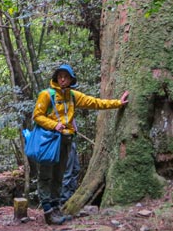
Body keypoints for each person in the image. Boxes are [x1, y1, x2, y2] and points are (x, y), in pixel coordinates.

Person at [33, 63, 129, 225]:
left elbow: (95, 102)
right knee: (46, 175)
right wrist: (54, 125)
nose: (63, 79)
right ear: (56, 78)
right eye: (60, 76)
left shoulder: (73, 96)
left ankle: (56, 208)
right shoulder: (46, 95)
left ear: (71, 79)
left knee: (59, 175)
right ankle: (48, 212)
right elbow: (37, 116)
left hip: (65, 141)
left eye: (66, 76)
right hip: (49, 141)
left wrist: (118, 103)